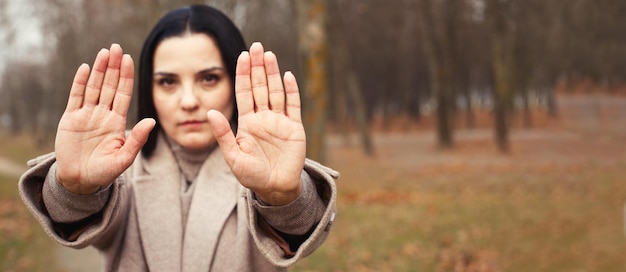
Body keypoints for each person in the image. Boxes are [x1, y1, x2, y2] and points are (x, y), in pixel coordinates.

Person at [18, 4, 338, 272]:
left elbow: (301, 230)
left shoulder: (268, 166)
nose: (188, 101)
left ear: (237, 82)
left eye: (209, 78)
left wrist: (284, 197)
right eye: (168, 82)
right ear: (150, 90)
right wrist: (74, 188)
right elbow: (79, 221)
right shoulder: (118, 162)